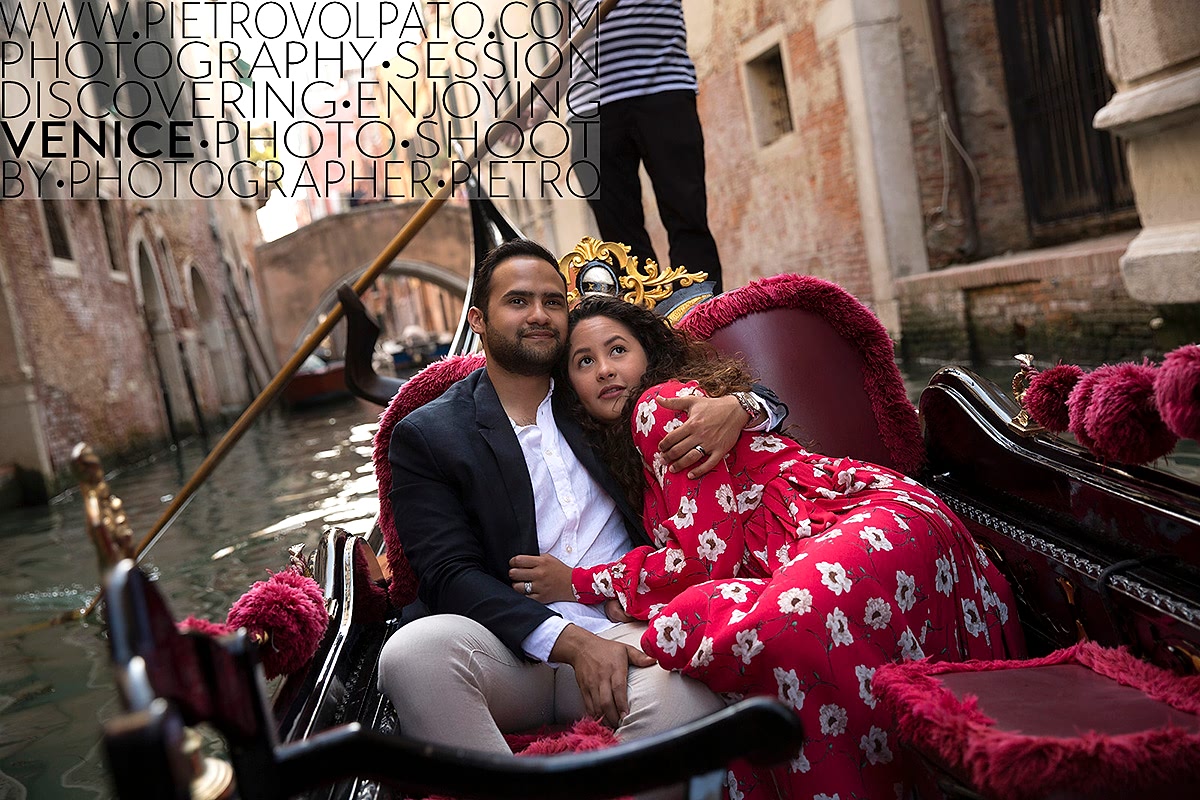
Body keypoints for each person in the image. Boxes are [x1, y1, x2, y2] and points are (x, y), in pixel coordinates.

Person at [513, 295, 1026, 800]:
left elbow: (709, 557)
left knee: (774, 622)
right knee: (762, 623)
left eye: (617, 350)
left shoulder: (657, 408)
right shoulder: (628, 449)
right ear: (571, 388)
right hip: (877, 520)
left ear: (647, 354)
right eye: (585, 361)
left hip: (856, 522)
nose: (605, 370)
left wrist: (580, 582)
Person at [376, 240, 784, 774]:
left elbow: (709, 382)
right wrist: (569, 642)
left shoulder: (597, 391)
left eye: (552, 301)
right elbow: (448, 573)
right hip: (509, 648)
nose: (539, 315)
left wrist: (740, 407)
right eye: (518, 301)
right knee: (412, 655)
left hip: (625, 627)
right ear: (478, 318)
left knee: (691, 696)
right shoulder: (428, 435)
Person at [525, 0, 723, 290]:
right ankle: (647, 329)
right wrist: (540, 104)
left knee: (687, 218)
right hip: (588, 110)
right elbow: (570, 41)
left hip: (664, 88)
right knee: (619, 246)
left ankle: (706, 320)